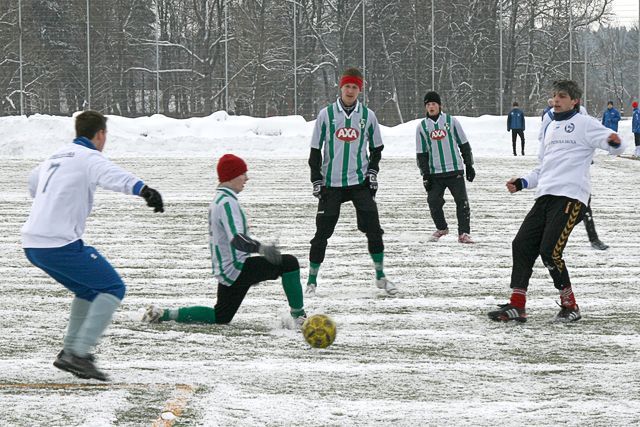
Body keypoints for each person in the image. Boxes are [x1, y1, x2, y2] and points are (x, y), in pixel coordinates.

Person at [21, 110, 165, 381]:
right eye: (105, 135)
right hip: (58, 243)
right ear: (100, 134)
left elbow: (33, 183)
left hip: (33, 244)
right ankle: (79, 353)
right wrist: (145, 191)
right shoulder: (88, 157)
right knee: (113, 287)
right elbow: (113, 175)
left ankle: (70, 351)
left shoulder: (55, 157)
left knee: (88, 290)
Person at [489, 80, 624, 323]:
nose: (556, 100)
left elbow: (614, 143)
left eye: (562, 96)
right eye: (554, 96)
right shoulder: (550, 126)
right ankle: (517, 305)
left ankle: (570, 306)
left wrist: (614, 142)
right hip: (545, 196)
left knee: (550, 251)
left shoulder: (584, 123)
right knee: (521, 244)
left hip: (571, 197)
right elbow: (542, 168)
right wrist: (523, 182)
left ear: (574, 101)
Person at [143, 154, 307, 328]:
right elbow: (237, 239)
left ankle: (164, 314)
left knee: (221, 316)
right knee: (289, 263)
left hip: (226, 269)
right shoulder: (227, 202)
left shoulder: (220, 200)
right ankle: (299, 317)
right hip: (237, 267)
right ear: (232, 176)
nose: (247, 178)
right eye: (243, 173)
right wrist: (262, 249)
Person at [306, 67, 397, 296]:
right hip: (331, 184)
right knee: (321, 234)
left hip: (359, 183)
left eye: (354, 87)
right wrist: (316, 179)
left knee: (374, 229)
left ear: (360, 90)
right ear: (341, 87)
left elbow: (376, 149)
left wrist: (373, 172)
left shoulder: (368, 116)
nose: (350, 90)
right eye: (347, 86)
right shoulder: (326, 115)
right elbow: (315, 150)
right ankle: (311, 281)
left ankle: (380, 276)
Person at [540, 102, 609, 251]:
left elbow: (588, 136)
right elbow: (542, 138)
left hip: (576, 172)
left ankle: (593, 238)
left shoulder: (581, 113)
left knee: (585, 204)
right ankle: (547, 238)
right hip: (555, 173)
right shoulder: (549, 116)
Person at [416, 90, 476, 244]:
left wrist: (469, 165)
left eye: (433, 104)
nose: (431, 107)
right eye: (428, 105)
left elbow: (464, 144)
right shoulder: (422, 127)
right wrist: (425, 174)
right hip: (435, 173)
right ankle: (442, 228)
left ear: (439, 105)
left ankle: (464, 233)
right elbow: (421, 153)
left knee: (462, 202)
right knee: (433, 202)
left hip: (454, 170)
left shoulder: (451, 121)